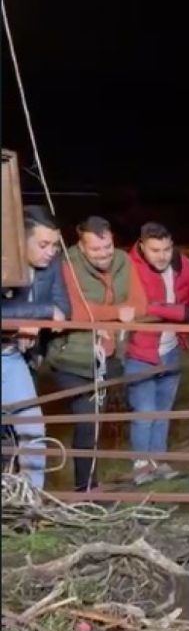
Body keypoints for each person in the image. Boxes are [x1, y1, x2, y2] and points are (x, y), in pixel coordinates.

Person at [46, 216, 147, 491]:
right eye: (95, 250)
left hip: (109, 354)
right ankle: (85, 490)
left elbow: (139, 304)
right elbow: (72, 310)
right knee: (87, 421)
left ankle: (92, 485)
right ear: (81, 244)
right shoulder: (67, 264)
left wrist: (104, 317)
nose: (103, 255)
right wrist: (115, 313)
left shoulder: (123, 261)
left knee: (97, 422)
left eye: (107, 247)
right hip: (72, 358)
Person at [125, 222, 189, 485]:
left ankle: (158, 461)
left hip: (171, 349)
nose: (162, 255)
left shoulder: (181, 263)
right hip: (139, 351)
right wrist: (188, 314)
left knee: (163, 409)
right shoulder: (130, 267)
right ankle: (141, 466)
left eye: (167, 248)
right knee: (144, 410)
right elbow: (145, 306)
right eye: (155, 250)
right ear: (142, 246)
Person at [1, 206, 70, 489]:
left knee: (32, 429)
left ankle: (30, 504)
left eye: (55, 244)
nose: (51, 251)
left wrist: (34, 323)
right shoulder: (4, 261)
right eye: (43, 244)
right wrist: (34, 316)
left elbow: (62, 307)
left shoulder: (52, 264)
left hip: (12, 357)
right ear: (20, 242)